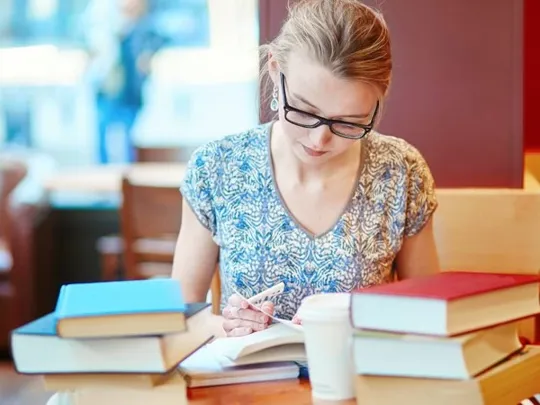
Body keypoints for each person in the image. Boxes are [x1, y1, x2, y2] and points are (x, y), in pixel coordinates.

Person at [172, 0, 440, 338]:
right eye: (303, 110)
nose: (319, 139)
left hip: (362, 383)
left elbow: (430, 315)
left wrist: (363, 320)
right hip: (246, 386)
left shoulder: (402, 171)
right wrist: (229, 326)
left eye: (348, 122)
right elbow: (179, 319)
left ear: (378, 101)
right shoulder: (216, 168)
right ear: (274, 70)